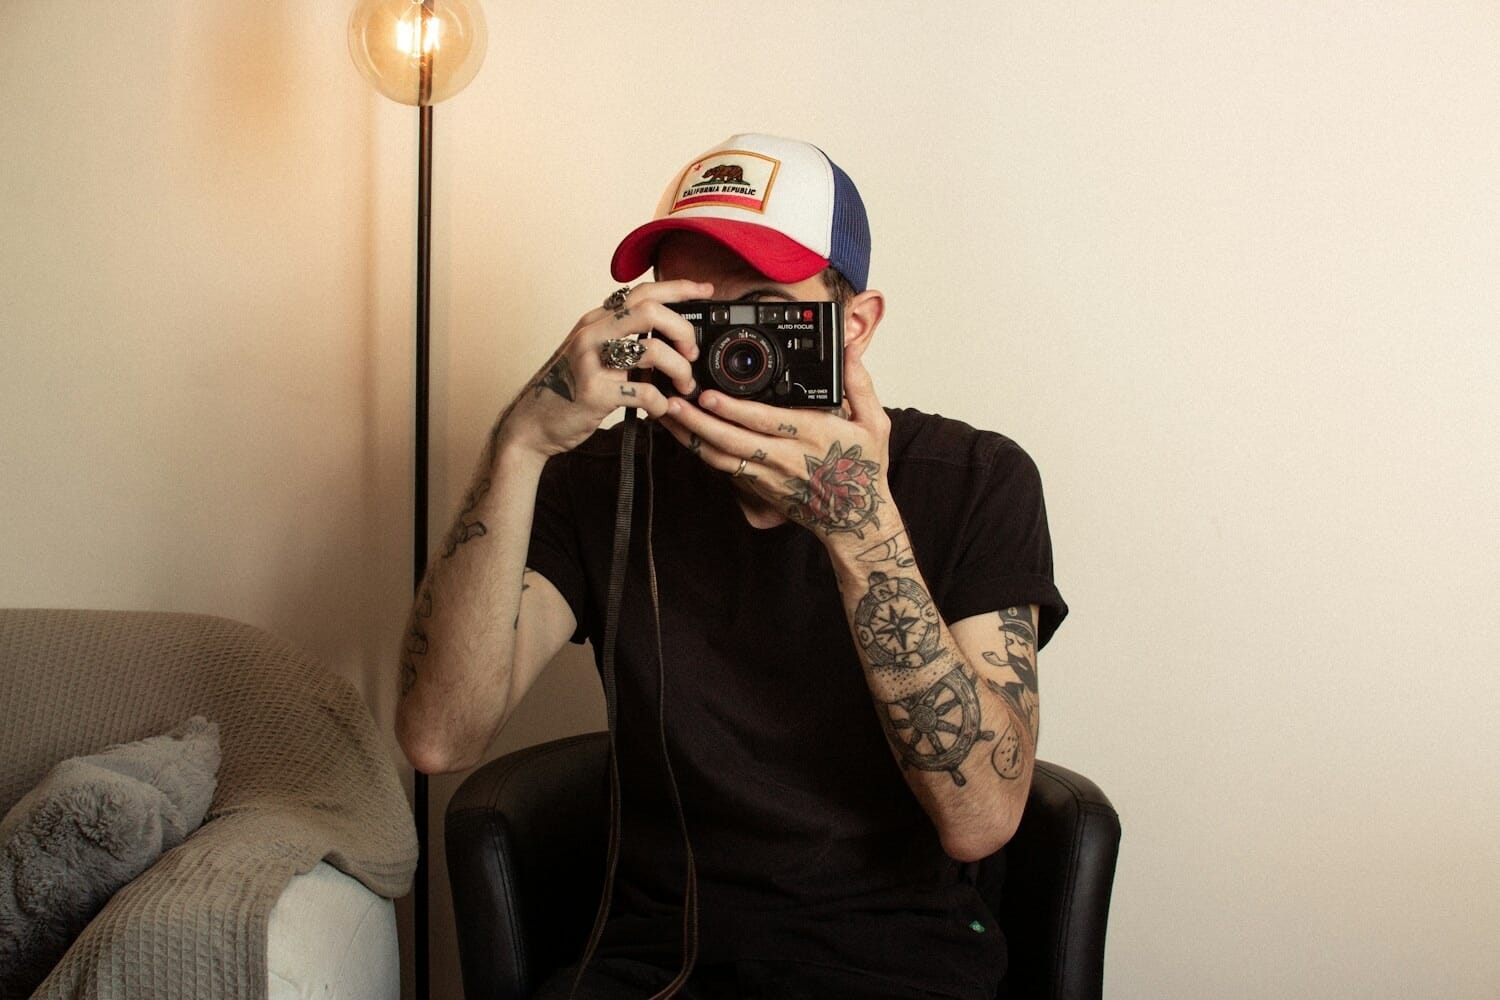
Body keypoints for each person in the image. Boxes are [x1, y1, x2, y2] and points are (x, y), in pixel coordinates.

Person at [397, 133, 1067, 1000]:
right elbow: (436, 735)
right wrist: (523, 442)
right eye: (691, 310)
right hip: (654, 958)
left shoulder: (976, 479)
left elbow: (981, 818)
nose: (725, 348)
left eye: (759, 310)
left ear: (852, 326)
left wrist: (858, 526)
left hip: (895, 959)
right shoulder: (602, 479)